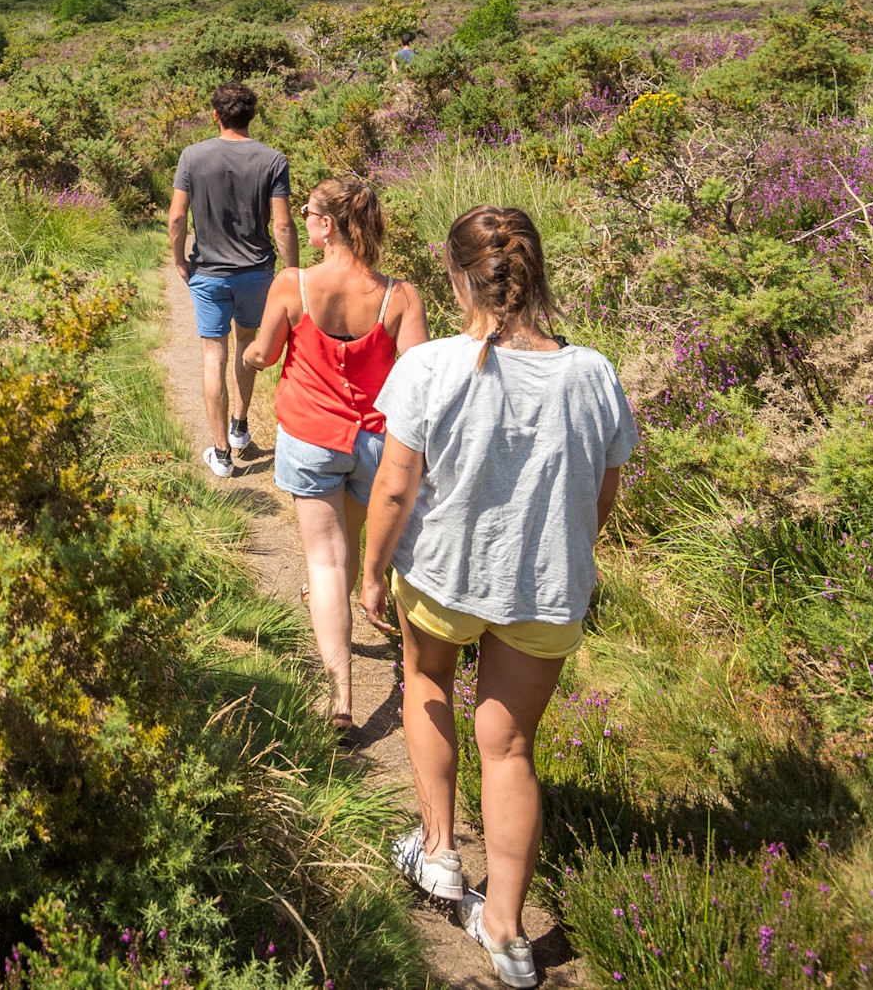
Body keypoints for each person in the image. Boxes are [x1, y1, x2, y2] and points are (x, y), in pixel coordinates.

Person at [357, 205, 638, 990]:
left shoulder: (429, 367)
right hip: (545, 586)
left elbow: (394, 486)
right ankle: (508, 931)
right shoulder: (593, 373)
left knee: (426, 683)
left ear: (457, 278)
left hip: (445, 571)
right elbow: (601, 494)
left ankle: (440, 851)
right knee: (512, 748)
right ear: (535, 275)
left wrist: (373, 570)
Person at [242, 177, 427, 740]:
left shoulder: (293, 284)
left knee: (324, 563)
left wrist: (249, 352)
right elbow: (419, 381)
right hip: (377, 442)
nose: (302, 220)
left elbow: (264, 353)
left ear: (326, 226)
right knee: (348, 556)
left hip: (310, 437)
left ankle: (340, 699)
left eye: (308, 214)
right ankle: (392, 655)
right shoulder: (402, 296)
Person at [167, 82, 297, 479]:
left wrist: (178, 261)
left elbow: (176, 218)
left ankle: (221, 453)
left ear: (216, 115)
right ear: (252, 115)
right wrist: (291, 274)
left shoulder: (192, 156)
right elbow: (284, 226)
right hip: (256, 273)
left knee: (213, 356)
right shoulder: (272, 160)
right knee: (247, 344)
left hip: (208, 273)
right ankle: (240, 426)